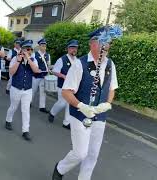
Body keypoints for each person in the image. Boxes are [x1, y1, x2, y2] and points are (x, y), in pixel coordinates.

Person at [52, 27, 118, 180]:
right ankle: (60, 168)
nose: (106, 47)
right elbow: (66, 91)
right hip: (80, 115)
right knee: (81, 153)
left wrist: (107, 104)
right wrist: (82, 106)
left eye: (108, 43)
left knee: (93, 154)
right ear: (93, 44)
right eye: (103, 43)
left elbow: (112, 88)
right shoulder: (79, 64)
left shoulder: (110, 64)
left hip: (100, 117)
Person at [5, 40, 41, 141]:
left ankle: (25, 130)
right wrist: (18, 60)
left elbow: (35, 70)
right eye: (26, 49)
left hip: (27, 90)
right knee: (13, 107)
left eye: (30, 49)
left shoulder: (33, 60)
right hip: (16, 88)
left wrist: (28, 59)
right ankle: (8, 120)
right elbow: (11, 72)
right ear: (22, 49)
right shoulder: (15, 59)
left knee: (25, 110)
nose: (28, 51)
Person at [48, 40, 79, 129]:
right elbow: (54, 71)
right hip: (62, 86)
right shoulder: (61, 59)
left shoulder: (77, 60)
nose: (74, 50)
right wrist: (63, 76)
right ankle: (52, 112)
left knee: (69, 103)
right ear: (68, 49)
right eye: (72, 48)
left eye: (75, 48)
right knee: (62, 103)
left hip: (73, 87)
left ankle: (66, 122)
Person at [31, 38, 51, 113]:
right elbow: (32, 65)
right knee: (33, 90)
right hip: (36, 76)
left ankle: (42, 107)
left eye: (45, 45)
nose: (44, 47)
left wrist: (49, 69)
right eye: (42, 45)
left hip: (44, 76)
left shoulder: (47, 55)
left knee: (43, 92)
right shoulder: (34, 54)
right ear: (39, 46)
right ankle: (29, 102)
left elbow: (48, 65)